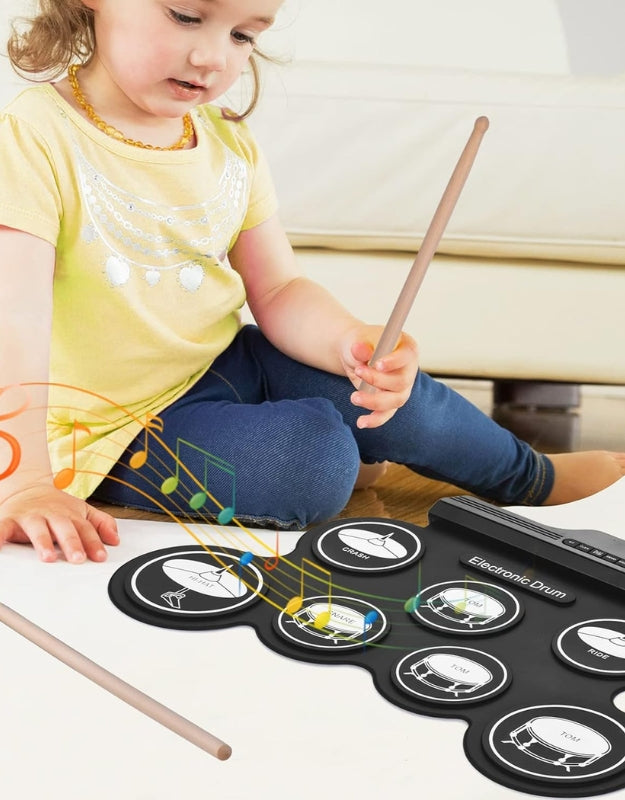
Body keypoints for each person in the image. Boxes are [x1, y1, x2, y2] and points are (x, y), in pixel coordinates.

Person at [1, 0, 623, 566]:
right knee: (313, 465)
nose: (212, 57)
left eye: (243, 34)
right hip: (107, 427)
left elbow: (277, 291)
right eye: (186, 16)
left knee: (390, 394)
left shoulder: (225, 140)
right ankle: (332, 455)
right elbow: (15, 322)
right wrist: (25, 482)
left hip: (223, 365)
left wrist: (350, 342)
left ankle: (531, 479)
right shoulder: (32, 136)